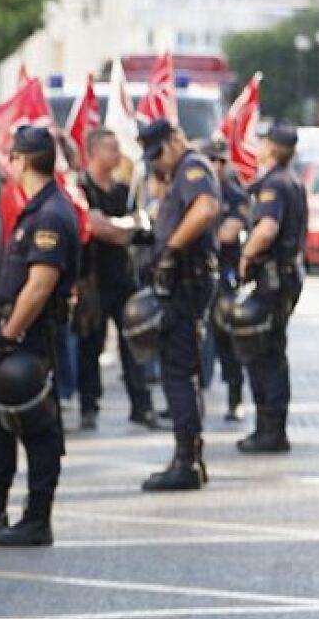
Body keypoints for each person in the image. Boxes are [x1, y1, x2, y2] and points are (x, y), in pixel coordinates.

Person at [0, 126, 78, 547]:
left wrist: (7, 338)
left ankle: (37, 518)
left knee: (37, 428)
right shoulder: (39, 207)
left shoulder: (50, 213)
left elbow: (39, 285)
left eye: (13, 157)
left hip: (28, 335)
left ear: (21, 160)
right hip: (16, 330)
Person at [137, 119, 221, 491]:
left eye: (159, 153)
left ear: (174, 140)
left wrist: (170, 250)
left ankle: (186, 462)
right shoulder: (180, 172)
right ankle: (191, 457)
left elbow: (205, 208)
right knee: (183, 372)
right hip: (185, 282)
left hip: (186, 285)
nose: (157, 163)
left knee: (177, 373)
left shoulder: (192, 166)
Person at [75, 128, 157, 429]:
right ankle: (88, 406)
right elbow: (98, 228)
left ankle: (141, 406)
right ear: (94, 151)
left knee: (134, 344)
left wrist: (120, 227)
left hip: (123, 280)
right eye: (111, 148)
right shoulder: (82, 188)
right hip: (93, 281)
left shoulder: (123, 191)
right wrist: (125, 226)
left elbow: (139, 228)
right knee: (90, 347)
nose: (117, 154)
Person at [237, 122, 307, 453]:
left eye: (264, 142)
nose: (259, 146)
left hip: (273, 279)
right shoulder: (291, 179)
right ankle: (272, 428)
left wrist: (245, 257)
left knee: (263, 352)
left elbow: (266, 229)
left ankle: (270, 431)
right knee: (272, 350)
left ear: (273, 149)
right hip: (285, 276)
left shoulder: (275, 183)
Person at [204, 138, 251, 421]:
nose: (216, 166)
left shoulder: (234, 195)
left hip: (224, 274)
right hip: (196, 273)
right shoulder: (193, 189)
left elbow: (228, 234)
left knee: (227, 338)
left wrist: (197, 226)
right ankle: (192, 397)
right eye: (211, 159)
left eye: (220, 160)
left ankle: (235, 397)